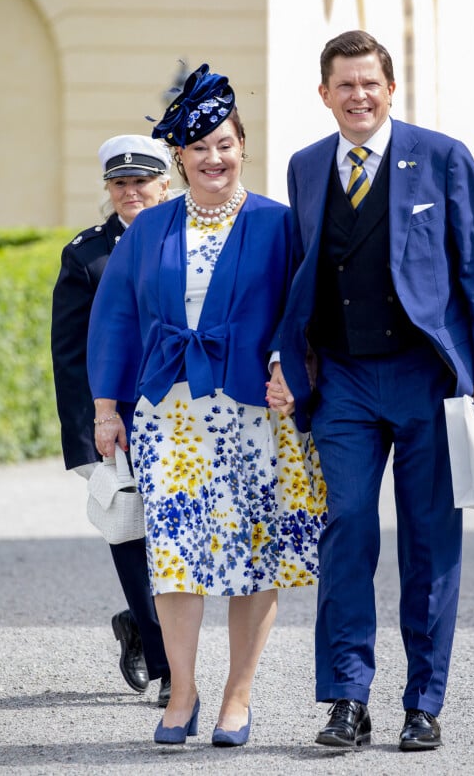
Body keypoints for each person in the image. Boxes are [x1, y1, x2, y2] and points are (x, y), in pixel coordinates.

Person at [266, 30, 474, 752]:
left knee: (431, 541)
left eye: (369, 83)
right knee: (345, 529)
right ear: (324, 94)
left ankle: (423, 702)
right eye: (344, 85)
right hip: (341, 380)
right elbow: (301, 270)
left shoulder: (442, 157)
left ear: (391, 87)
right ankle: (347, 697)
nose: (358, 96)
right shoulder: (307, 167)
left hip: (424, 376)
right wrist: (287, 359)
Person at [86, 64, 326, 747]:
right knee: (176, 558)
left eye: (224, 143)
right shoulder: (150, 228)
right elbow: (114, 323)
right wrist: (108, 409)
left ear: (242, 144)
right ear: (180, 158)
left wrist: (294, 370)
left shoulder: (280, 225)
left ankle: (237, 696)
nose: (213, 158)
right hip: (170, 418)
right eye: (198, 148)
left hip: (257, 418)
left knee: (255, 558)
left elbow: (301, 314)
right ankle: (182, 692)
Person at [51, 134, 173, 706]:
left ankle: (138, 619)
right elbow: (70, 352)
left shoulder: (189, 235)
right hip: (117, 418)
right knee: (131, 531)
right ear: (109, 189)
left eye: (141, 181)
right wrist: (84, 437)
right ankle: (168, 663)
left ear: (163, 184)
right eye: (120, 183)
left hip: (185, 412)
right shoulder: (87, 254)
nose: (131, 191)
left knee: (179, 535)